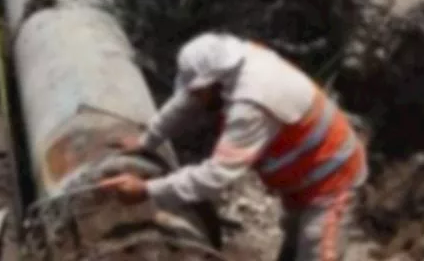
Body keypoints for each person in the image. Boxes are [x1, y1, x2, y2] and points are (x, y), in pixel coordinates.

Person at [99, 32, 367, 261]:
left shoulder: (252, 103)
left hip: (332, 180)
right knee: (294, 242)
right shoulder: (236, 62)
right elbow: (188, 101)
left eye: (199, 90)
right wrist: (149, 138)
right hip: (302, 180)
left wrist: (147, 190)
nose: (195, 97)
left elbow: (215, 177)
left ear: (213, 82)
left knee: (316, 247)